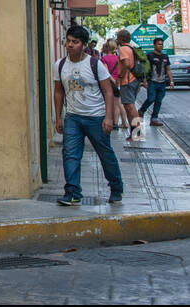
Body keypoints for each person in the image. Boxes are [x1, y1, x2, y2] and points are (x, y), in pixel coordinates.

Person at [53, 24, 122, 206]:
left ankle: (116, 188)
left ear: (83, 45)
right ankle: (73, 193)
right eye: (68, 41)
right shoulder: (60, 65)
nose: (70, 45)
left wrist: (109, 118)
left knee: (105, 154)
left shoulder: (95, 64)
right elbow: (58, 92)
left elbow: (108, 91)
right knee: (70, 155)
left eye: (75, 42)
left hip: (96, 117)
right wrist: (59, 117)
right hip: (73, 117)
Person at [114, 30, 145, 142]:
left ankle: (137, 133)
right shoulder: (132, 47)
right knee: (129, 106)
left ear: (121, 38)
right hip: (134, 80)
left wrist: (120, 77)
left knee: (130, 107)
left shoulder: (123, 49)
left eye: (117, 37)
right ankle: (135, 132)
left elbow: (126, 64)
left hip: (127, 81)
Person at [140, 37, 173, 127]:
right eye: (159, 44)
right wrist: (144, 81)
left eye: (162, 44)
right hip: (152, 82)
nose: (161, 46)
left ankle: (154, 119)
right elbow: (145, 69)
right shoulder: (150, 56)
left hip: (162, 82)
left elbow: (168, 69)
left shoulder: (165, 56)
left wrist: (171, 81)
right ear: (154, 45)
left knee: (159, 101)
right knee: (151, 98)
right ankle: (141, 110)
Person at [99, 38, 124, 130]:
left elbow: (106, 72)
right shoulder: (118, 58)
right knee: (117, 104)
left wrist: (113, 81)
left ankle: (110, 119)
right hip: (118, 82)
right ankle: (116, 123)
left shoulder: (104, 58)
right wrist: (118, 81)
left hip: (109, 83)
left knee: (108, 103)